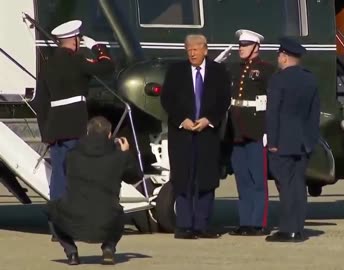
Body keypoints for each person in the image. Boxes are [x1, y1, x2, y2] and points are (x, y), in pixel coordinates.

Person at [32, 20, 114, 200]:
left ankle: (56, 220)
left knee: (58, 177)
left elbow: (40, 101)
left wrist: (45, 132)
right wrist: (99, 48)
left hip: (54, 128)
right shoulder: (77, 60)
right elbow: (107, 67)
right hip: (75, 125)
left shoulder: (47, 65)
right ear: (75, 40)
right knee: (77, 175)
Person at [160, 34, 231, 239]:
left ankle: (202, 225)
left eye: (196, 48)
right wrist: (183, 119)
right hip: (182, 133)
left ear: (205, 50)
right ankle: (184, 225)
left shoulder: (218, 72)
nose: (192, 52)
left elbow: (224, 99)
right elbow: (167, 100)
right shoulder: (176, 71)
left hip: (207, 133)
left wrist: (208, 119)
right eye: (188, 49)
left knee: (206, 179)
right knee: (183, 179)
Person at [46, 116, 143, 265]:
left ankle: (71, 252)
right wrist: (126, 154)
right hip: (107, 219)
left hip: (74, 218)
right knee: (120, 213)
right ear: (110, 135)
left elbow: (66, 171)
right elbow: (135, 177)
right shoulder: (118, 157)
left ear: (87, 132)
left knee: (51, 210)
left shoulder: (72, 155)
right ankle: (109, 248)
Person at [265, 37, 320, 243]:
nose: (278, 59)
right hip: (304, 140)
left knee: (286, 186)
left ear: (285, 57)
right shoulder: (310, 78)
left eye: (280, 55)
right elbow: (314, 113)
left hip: (282, 140)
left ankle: (288, 230)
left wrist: (272, 141)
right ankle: (298, 227)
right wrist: (311, 140)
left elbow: (273, 113)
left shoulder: (279, 79)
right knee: (298, 185)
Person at [228, 29, 275, 236]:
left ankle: (258, 223)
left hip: (257, 129)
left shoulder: (266, 70)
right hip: (237, 130)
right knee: (242, 179)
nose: (241, 48)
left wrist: (268, 130)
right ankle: (245, 222)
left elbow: (272, 103)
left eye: (245, 45)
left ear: (256, 48)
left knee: (258, 180)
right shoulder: (235, 70)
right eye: (240, 45)